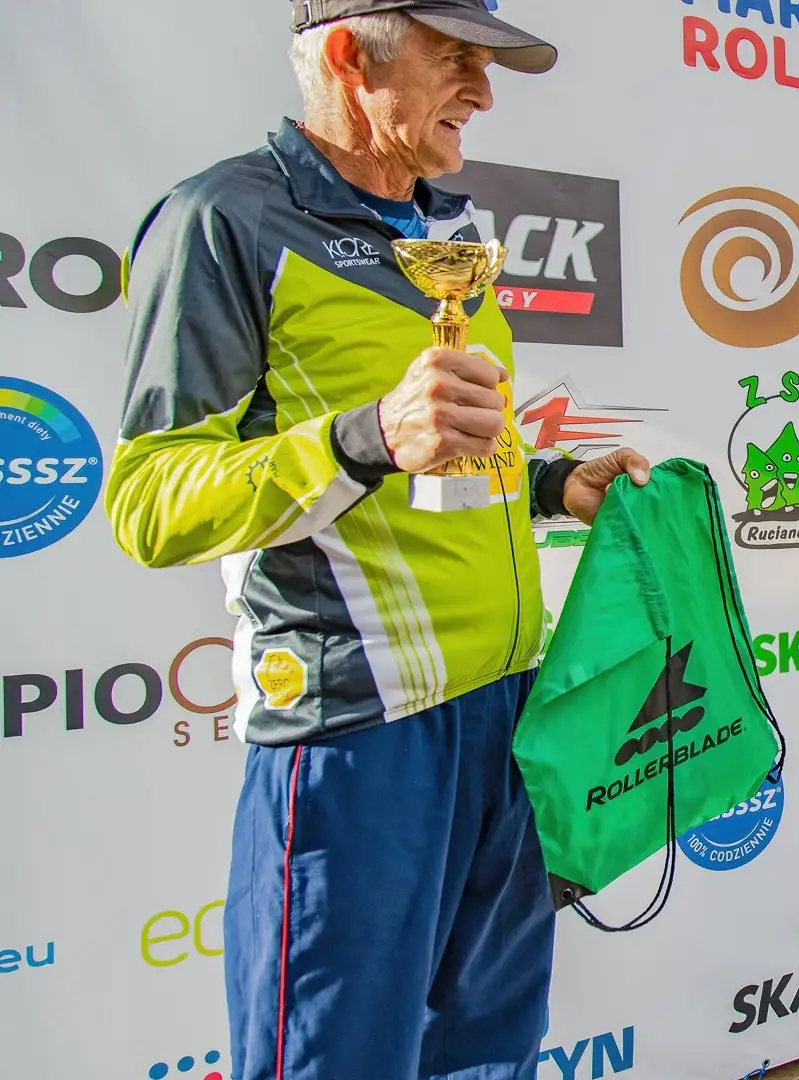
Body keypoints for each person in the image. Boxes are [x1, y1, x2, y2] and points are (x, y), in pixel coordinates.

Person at [103, 6, 651, 1078]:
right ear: (351, 56)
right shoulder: (226, 218)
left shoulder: (448, 231)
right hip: (359, 731)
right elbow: (150, 502)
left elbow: (446, 457)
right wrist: (367, 438)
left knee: (489, 1053)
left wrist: (551, 483)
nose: (483, 94)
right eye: (457, 60)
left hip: (507, 715)